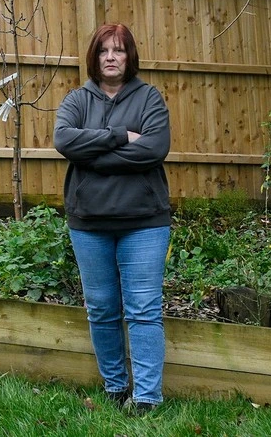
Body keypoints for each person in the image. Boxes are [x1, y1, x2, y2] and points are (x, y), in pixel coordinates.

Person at [53, 23, 171, 414]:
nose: (110, 57)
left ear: (129, 56)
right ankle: (116, 387)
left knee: (143, 309)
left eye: (118, 51)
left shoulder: (149, 98)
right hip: (89, 224)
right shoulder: (76, 100)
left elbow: (154, 149)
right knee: (103, 309)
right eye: (104, 50)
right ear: (94, 56)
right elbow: (65, 141)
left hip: (144, 223)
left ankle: (147, 398)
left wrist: (94, 154)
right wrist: (121, 135)